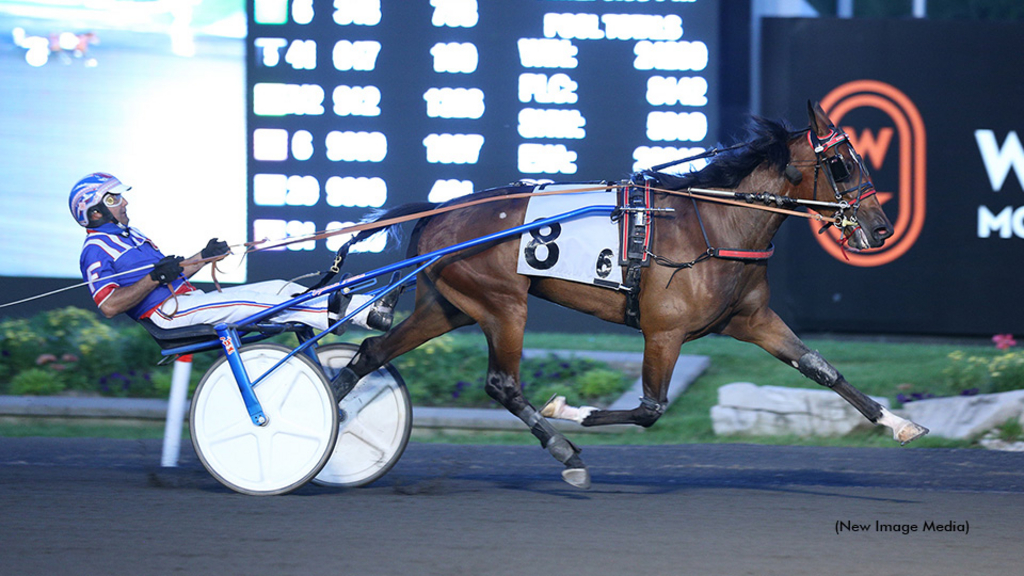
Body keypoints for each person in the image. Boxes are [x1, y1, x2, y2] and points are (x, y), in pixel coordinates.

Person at [71, 172, 395, 334]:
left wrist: (204, 256)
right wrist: (152, 279)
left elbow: (171, 274)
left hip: (186, 300)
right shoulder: (95, 249)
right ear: (95, 213)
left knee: (280, 288)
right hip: (168, 314)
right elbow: (110, 306)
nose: (124, 202)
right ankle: (333, 312)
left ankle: (368, 313)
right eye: (113, 200)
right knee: (269, 302)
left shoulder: (134, 236)